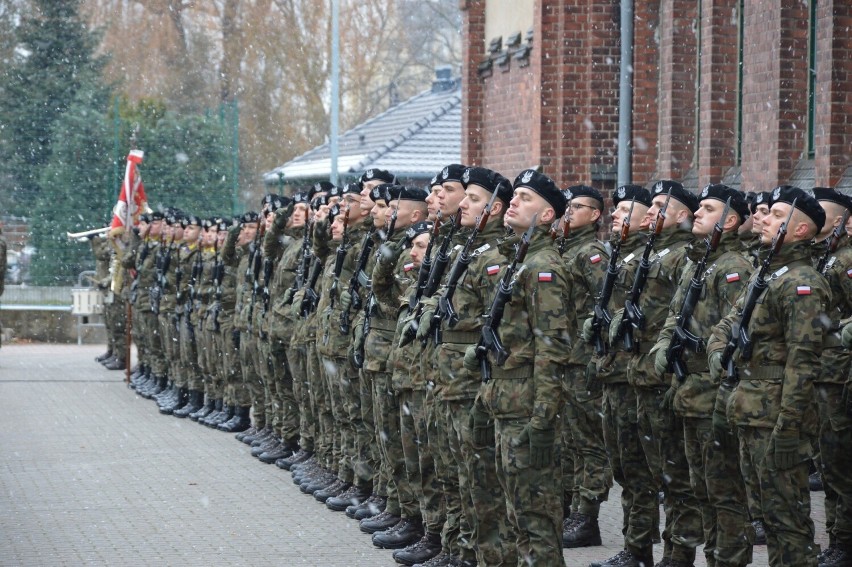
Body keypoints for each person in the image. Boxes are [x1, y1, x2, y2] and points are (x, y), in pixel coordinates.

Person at [708, 185, 828, 567]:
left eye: (778, 216)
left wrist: (789, 428)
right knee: (765, 515)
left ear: (801, 231)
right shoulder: (766, 273)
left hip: (776, 416)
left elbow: (803, 362)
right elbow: (727, 324)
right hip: (749, 410)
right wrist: (716, 350)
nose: (765, 220)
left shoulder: (800, 283)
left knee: (787, 521)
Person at [469, 168, 570, 566]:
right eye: (516, 195)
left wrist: (543, 421)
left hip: (527, 409)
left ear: (547, 216)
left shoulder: (544, 268)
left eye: (526, 198)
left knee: (535, 521)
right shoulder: (517, 260)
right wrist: (484, 399)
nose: (515, 201)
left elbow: (552, 349)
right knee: (514, 516)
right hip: (505, 403)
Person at [652, 184, 755, 567]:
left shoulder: (734, 268)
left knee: (724, 492)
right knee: (699, 489)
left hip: (713, 393)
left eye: (708, 209)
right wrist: (663, 345)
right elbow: (674, 317)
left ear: (729, 221)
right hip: (688, 391)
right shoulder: (699, 261)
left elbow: (735, 339)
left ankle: (727, 560)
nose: (697, 212)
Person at [812, 187, 852, 567]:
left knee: (840, 466)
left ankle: (844, 543)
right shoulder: (821, 258)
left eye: (821, 212)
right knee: (828, 465)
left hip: (839, 379)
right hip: (821, 376)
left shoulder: (845, 261)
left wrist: (837, 335)